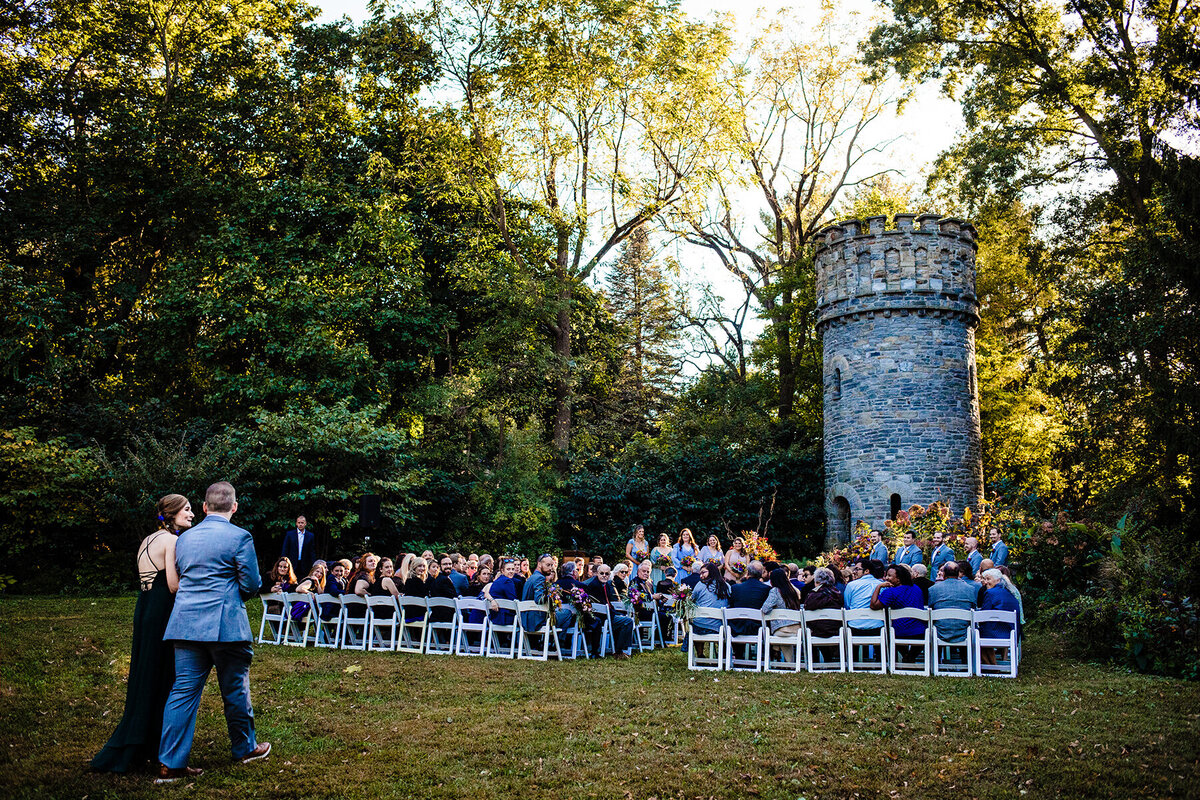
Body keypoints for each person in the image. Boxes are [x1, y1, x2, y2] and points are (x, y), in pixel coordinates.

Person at [156, 482, 269, 783]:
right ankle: (245, 748)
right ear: (234, 506)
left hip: (185, 624)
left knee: (182, 692)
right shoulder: (240, 537)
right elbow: (251, 584)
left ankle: (170, 763)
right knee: (234, 688)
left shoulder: (184, 538)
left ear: (205, 507)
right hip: (227, 627)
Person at [92, 494, 192, 773]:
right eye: (187, 509)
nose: (192, 514)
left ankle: (141, 741)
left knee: (144, 672)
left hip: (145, 608)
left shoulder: (147, 540)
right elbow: (173, 586)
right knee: (162, 675)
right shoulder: (172, 541)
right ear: (172, 513)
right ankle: (152, 744)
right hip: (162, 611)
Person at [871, 564, 927, 663]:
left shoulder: (891, 592)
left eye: (889, 576)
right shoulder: (917, 589)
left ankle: (907, 656)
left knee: (888, 630)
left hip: (898, 632)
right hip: (920, 632)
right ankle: (909, 657)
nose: (886, 578)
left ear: (899, 579)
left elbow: (874, 605)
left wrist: (878, 587)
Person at [585, 563, 635, 659]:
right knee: (628, 621)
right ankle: (619, 651)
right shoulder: (594, 585)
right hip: (600, 617)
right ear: (597, 573)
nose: (604, 576)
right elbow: (600, 605)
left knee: (624, 620)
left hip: (608, 614)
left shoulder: (607, 584)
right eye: (602, 573)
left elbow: (609, 603)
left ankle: (619, 649)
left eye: (607, 574)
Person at [927, 562, 978, 646]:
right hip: (964, 631)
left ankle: (938, 654)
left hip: (940, 631)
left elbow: (931, 609)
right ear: (958, 573)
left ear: (944, 573)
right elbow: (973, 609)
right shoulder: (970, 589)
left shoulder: (933, 589)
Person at [844, 559, 885, 662]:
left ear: (867, 571)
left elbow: (847, 605)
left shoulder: (851, 585)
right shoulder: (881, 585)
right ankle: (881, 662)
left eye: (857, 569)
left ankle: (853, 662)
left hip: (855, 627)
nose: (854, 572)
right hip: (876, 626)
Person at [979, 568, 1021, 665]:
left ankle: (991, 666)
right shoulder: (1009, 592)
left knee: (975, 634)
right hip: (1011, 632)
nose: (985, 582)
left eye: (988, 579)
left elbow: (983, 615)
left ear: (998, 580)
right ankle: (994, 665)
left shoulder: (990, 593)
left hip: (996, 632)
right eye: (985, 579)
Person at [760, 568, 803, 662]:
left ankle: (776, 650)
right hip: (798, 629)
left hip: (782, 629)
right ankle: (790, 664)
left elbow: (765, 609)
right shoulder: (794, 590)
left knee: (778, 634)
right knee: (784, 640)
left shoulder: (775, 591)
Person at [803, 567, 844, 662]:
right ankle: (829, 660)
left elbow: (807, 607)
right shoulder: (838, 594)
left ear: (817, 581)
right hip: (835, 629)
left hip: (817, 631)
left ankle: (815, 661)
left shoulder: (813, 595)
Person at [728, 560, 771, 636]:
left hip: (737, 627)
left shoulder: (735, 588)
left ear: (747, 572)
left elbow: (731, 606)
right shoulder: (766, 589)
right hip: (758, 628)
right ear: (761, 573)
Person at [690, 563, 730, 636]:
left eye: (703, 572)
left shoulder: (700, 584)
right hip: (719, 626)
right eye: (700, 573)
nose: (701, 576)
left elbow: (691, 599)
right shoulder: (726, 586)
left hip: (700, 625)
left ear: (712, 571)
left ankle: (693, 643)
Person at [279, 516, 316, 582]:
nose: (300, 524)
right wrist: (284, 560)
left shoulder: (310, 536)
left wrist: (313, 564)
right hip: (291, 562)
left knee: (303, 581)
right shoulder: (290, 534)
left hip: (305, 564)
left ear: (305, 523)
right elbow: (285, 548)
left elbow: (312, 551)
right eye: (299, 523)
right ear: (296, 523)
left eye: (302, 523)